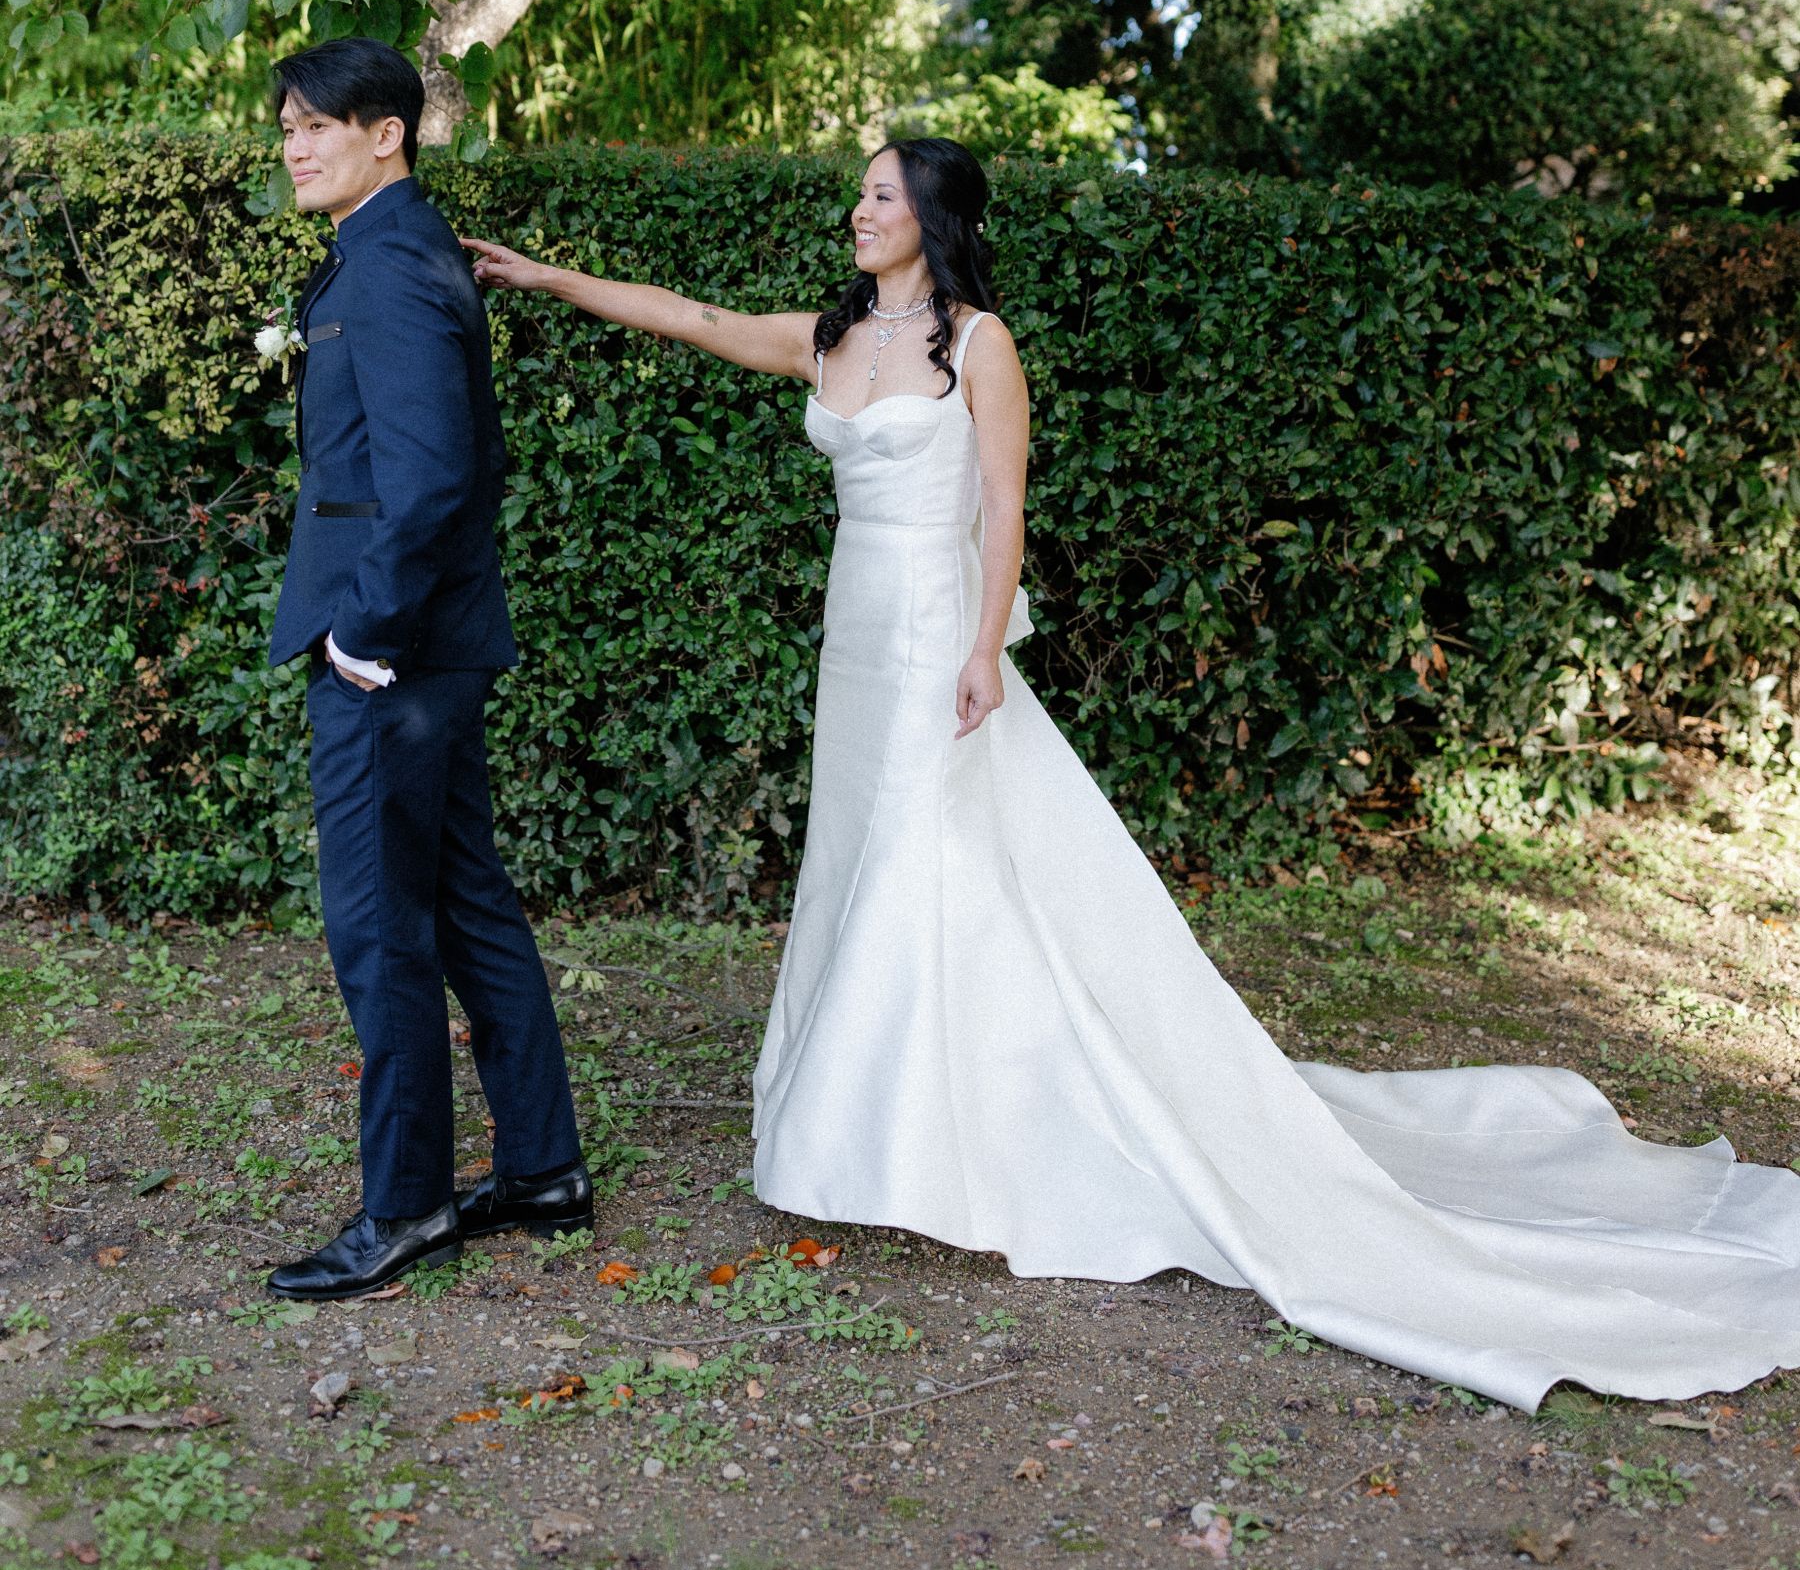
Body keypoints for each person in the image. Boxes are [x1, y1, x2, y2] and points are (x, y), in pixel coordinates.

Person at [466, 134, 1800, 1411]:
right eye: (861, 196)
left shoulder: (982, 347)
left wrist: (987, 648)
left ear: (934, 219)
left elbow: (1004, 507)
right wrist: (548, 277)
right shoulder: (828, 339)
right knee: (869, 859)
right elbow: (693, 316)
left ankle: (934, 1132)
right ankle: (882, 1117)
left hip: (939, 638)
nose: (861, 213)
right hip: (854, 646)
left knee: (933, 862)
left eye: (881, 196)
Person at [265, 37, 588, 1301]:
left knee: (380, 930)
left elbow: (435, 476)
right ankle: (543, 1169)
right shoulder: (404, 250)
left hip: (390, 658)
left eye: (313, 124)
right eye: (285, 127)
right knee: (465, 905)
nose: (292, 145)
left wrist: (365, 637)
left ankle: (403, 1209)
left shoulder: (393, 266)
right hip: (436, 648)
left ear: (386, 132)